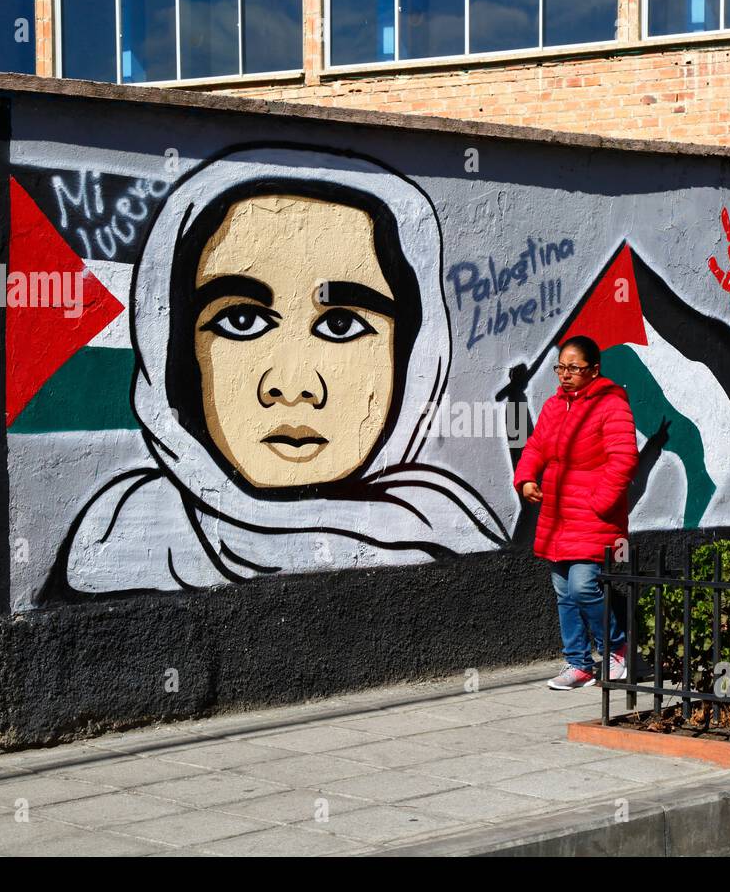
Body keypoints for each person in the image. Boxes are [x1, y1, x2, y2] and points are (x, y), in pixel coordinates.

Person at [48, 145, 507, 598]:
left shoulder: (445, 532)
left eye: (341, 324)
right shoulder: (115, 545)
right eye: (241, 321)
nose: (292, 388)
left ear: (412, 352)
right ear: (177, 352)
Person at [513, 336, 638, 689]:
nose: (565, 375)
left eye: (574, 368)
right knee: (563, 589)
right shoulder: (556, 406)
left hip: (594, 517)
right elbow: (536, 445)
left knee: (584, 586)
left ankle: (616, 649)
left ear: (594, 370)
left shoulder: (611, 404)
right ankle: (579, 664)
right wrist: (525, 479)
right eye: (560, 368)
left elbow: (624, 458)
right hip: (558, 516)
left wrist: (598, 502)